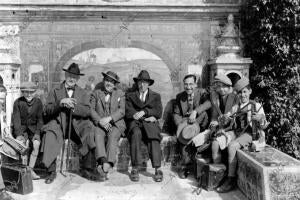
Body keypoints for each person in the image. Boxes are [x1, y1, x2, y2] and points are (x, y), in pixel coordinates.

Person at [41, 63, 95, 184]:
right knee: (50, 133)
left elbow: (87, 110)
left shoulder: (83, 92)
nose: (72, 79)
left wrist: (74, 108)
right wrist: (60, 103)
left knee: (89, 131)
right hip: (59, 123)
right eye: (70, 75)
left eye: (75, 77)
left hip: (76, 125)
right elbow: (47, 110)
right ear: (65, 75)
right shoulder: (55, 91)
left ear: (78, 79)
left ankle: (87, 168)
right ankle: (51, 171)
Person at [216, 77, 268, 193]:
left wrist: (260, 119)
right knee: (218, 140)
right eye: (239, 93)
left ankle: (231, 179)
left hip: (250, 133)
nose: (242, 95)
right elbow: (228, 118)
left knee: (232, 146)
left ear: (250, 91)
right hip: (237, 132)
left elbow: (264, 125)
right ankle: (220, 173)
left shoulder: (256, 105)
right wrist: (224, 119)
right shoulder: (236, 106)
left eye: (244, 92)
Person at [125, 70, 163, 182]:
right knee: (135, 134)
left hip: (149, 122)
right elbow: (127, 110)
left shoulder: (156, 96)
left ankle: (157, 169)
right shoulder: (130, 95)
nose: (142, 85)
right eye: (140, 82)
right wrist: (136, 115)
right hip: (135, 122)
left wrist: (146, 112)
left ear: (149, 84)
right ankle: (135, 168)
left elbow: (158, 111)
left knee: (153, 136)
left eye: (145, 83)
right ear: (137, 83)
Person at [173, 74, 211, 179]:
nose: (188, 87)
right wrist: (180, 126)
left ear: (195, 84)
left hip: (199, 124)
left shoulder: (202, 93)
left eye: (191, 84)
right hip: (186, 126)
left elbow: (208, 103)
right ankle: (185, 166)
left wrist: (195, 111)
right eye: (186, 84)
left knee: (199, 147)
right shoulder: (180, 96)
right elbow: (176, 113)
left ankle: (197, 168)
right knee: (184, 145)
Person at [89, 71, 125, 181]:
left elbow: (122, 111)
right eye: (107, 80)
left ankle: (106, 167)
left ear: (115, 84)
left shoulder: (120, 94)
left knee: (112, 136)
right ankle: (104, 162)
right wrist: (100, 121)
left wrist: (109, 119)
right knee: (98, 134)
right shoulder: (96, 93)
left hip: (115, 124)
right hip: (100, 124)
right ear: (103, 81)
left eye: (112, 82)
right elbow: (90, 109)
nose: (109, 83)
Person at [12, 82, 43, 180]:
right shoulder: (18, 102)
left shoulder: (38, 102)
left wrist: (37, 133)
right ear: (22, 92)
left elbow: (40, 120)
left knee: (36, 144)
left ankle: (30, 169)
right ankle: (24, 170)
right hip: (22, 129)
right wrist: (19, 134)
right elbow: (16, 120)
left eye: (31, 92)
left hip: (34, 129)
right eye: (26, 92)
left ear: (35, 92)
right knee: (21, 145)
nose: (29, 95)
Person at [209, 74, 239, 164]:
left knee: (215, 143)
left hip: (232, 128)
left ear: (229, 86)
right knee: (209, 139)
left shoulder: (235, 97)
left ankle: (219, 170)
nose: (221, 89)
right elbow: (214, 114)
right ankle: (217, 169)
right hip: (220, 127)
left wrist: (220, 125)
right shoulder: (215, 96)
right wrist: (213, 123)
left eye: (224, 87)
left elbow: (232, 115)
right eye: (219, 87)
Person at [0, 85, 15, 200]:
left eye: (3, 99)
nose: (1, 101)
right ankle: (1, 191)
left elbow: (3, 124)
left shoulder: (1, 110)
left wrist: (6, 130)